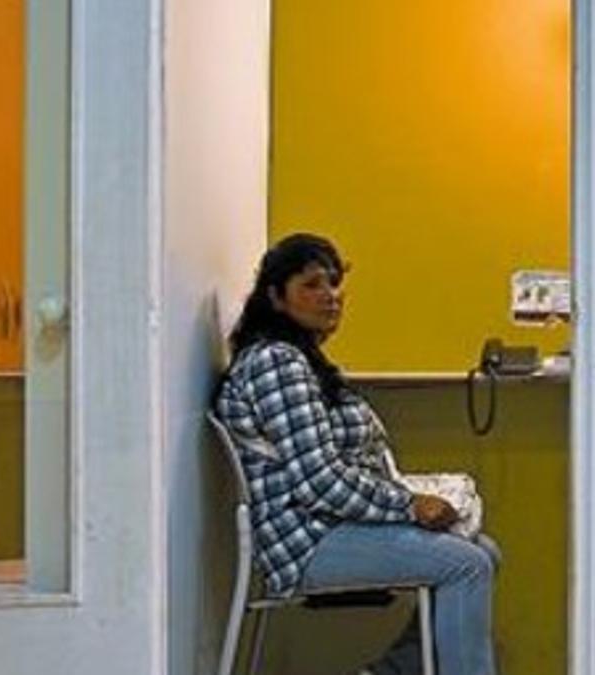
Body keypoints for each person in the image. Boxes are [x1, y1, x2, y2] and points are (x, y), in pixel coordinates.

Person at [213, 233, 497, 675]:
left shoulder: (299, 360)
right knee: (468, 565)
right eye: (311, 284)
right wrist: (410, 506)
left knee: (484, 549)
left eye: (334, 283)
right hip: (307, 541)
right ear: (276, 296)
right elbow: (318, 480)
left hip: (329, 524)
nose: (330, 296)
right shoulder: (277, 363)